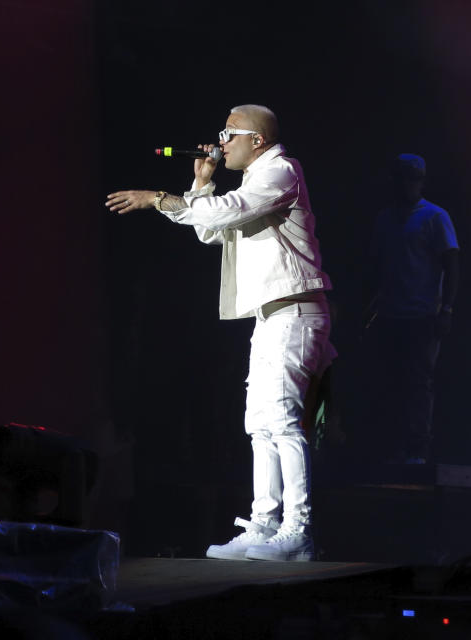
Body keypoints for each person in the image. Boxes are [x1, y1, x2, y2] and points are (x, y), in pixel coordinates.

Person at [105, 104, 334, 562]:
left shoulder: (281, 171)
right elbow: (211, 230)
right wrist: (201, 184)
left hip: (295, 313)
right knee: (260, 426)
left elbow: (225, 213)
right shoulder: (254, 180)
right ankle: (267, 525)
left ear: (259, 140)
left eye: (229, 133)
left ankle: (298, 531)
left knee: (284, 424)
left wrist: (158, 198)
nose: (221, 141)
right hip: (270, 317)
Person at [367, 154, 459, 464]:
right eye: (403, 178)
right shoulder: (385, 218)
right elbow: (378, 265)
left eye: (413, 178)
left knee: (419, 382)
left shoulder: (435, 216)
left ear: (421, 180)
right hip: (391, 313)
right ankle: (392, 446)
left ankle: (417, 447)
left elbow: (452, 263)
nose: (408, 184)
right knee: (391, 380)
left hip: (422, 314)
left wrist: (446, 309)